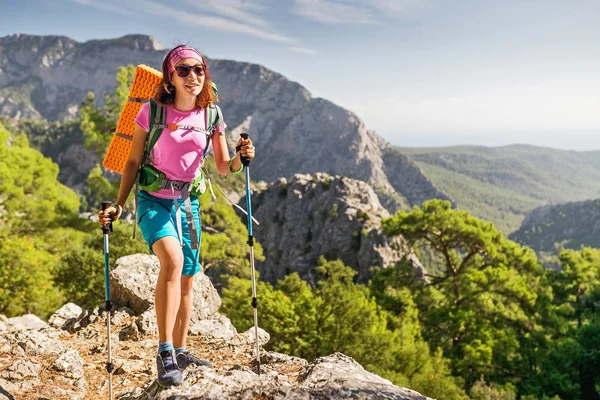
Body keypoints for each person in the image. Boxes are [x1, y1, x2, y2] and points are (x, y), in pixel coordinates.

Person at [98, 45, 255, 388]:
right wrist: (119, 203)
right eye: (183, 70)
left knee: (186, 277)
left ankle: (182, 350)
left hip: (188, 204)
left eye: (198, 70)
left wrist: (241, 158)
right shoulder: (152, 112)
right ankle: (165, 353)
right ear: (170, 76)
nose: (192, 77)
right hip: (153, 200)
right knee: (172, 259)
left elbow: (224, 167)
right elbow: (132, 162)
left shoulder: (211, 116)